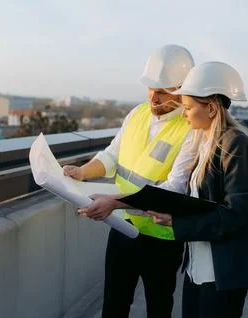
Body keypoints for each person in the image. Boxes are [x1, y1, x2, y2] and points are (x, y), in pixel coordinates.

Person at [82, 61, 248, 318]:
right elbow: (184, 194)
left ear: (212, 108)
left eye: (189, 107)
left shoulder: (235, 146)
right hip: (197, 268)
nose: (184, 113)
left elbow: (236, 215)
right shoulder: (203, 141)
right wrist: (110, 196)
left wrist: (176, 223)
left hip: (222, 272)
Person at [64, 44, 196, 318]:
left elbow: (175, 188)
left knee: (158, 308)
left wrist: (114, 202)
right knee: (113, 304)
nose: (154, 97)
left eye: (163, 91)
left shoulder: (192, 130)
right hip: (122, 227)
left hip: (161, 239)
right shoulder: (137, 114)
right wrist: (83, 172)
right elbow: (112, 154)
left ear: (182, 90)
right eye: (150, 88)